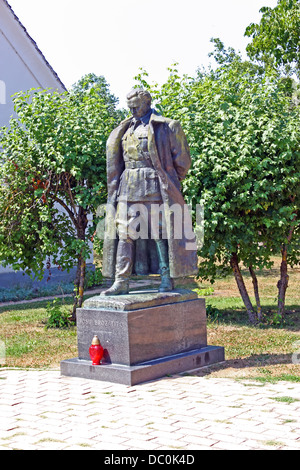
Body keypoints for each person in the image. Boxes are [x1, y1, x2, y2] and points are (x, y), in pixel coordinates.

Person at [101, 88, 197, 296]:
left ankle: (166, 278)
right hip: (127, 187)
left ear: (147, 102)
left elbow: (183, 162)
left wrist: (169, 179)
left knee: (159, 233)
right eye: (130, 107)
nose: (132, 109)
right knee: (125, 234)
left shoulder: (167, 126)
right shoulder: (124, 128)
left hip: (154, 186)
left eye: (136, 105)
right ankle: (121, 281)